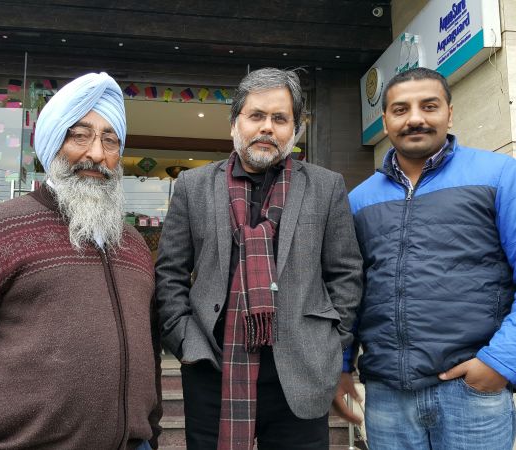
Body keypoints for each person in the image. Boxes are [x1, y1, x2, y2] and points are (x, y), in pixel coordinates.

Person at [0, 73, 161, 450]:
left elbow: (149, 350)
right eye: (80, 136)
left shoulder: (134, 245)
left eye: (110, 140)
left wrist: (151, 431)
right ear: (53, 143)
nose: (96, 154)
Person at [340, 67, 516, 450]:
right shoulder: (360, 199)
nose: (415, 118)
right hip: (386, 397)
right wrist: (342, 365)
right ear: (385, 121)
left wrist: (500, 363)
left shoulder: (499, 175)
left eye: (429, 106)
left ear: (450, 113)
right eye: (401, 109)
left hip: (470, 392)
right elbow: (349, 289)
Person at [155, 67, 363, 450]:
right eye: (256, 116)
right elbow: (170, 272)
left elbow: (346, 274)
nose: (267, 127)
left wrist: (332, 342)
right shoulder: (193, 186)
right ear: (235, 123)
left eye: (280, 118)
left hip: (301, 367)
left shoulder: (325, 186)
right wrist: (185, 340)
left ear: (295, 129)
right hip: (213, 363)